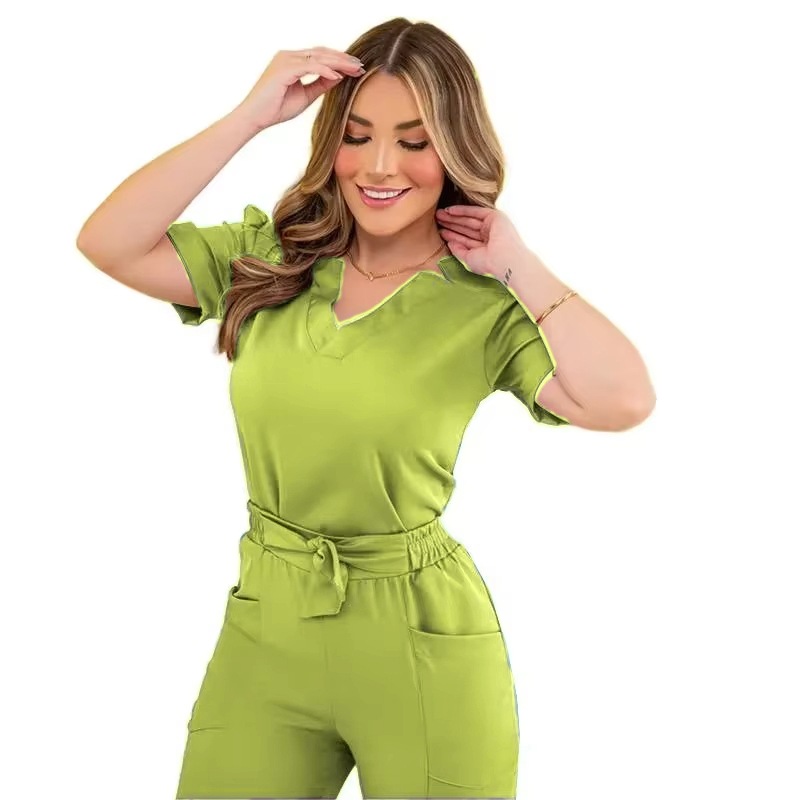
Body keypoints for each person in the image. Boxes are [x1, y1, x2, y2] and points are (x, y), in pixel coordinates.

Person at [77, 16, 654, 800]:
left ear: (455, 149)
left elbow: (623, 400)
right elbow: (108, 242)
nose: (380, 166)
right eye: (357, 136)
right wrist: (250, 116)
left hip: (420, 639)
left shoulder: (486, 303)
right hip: (268, 624)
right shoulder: (272, 260)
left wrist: (521, 266)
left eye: (415, 142)